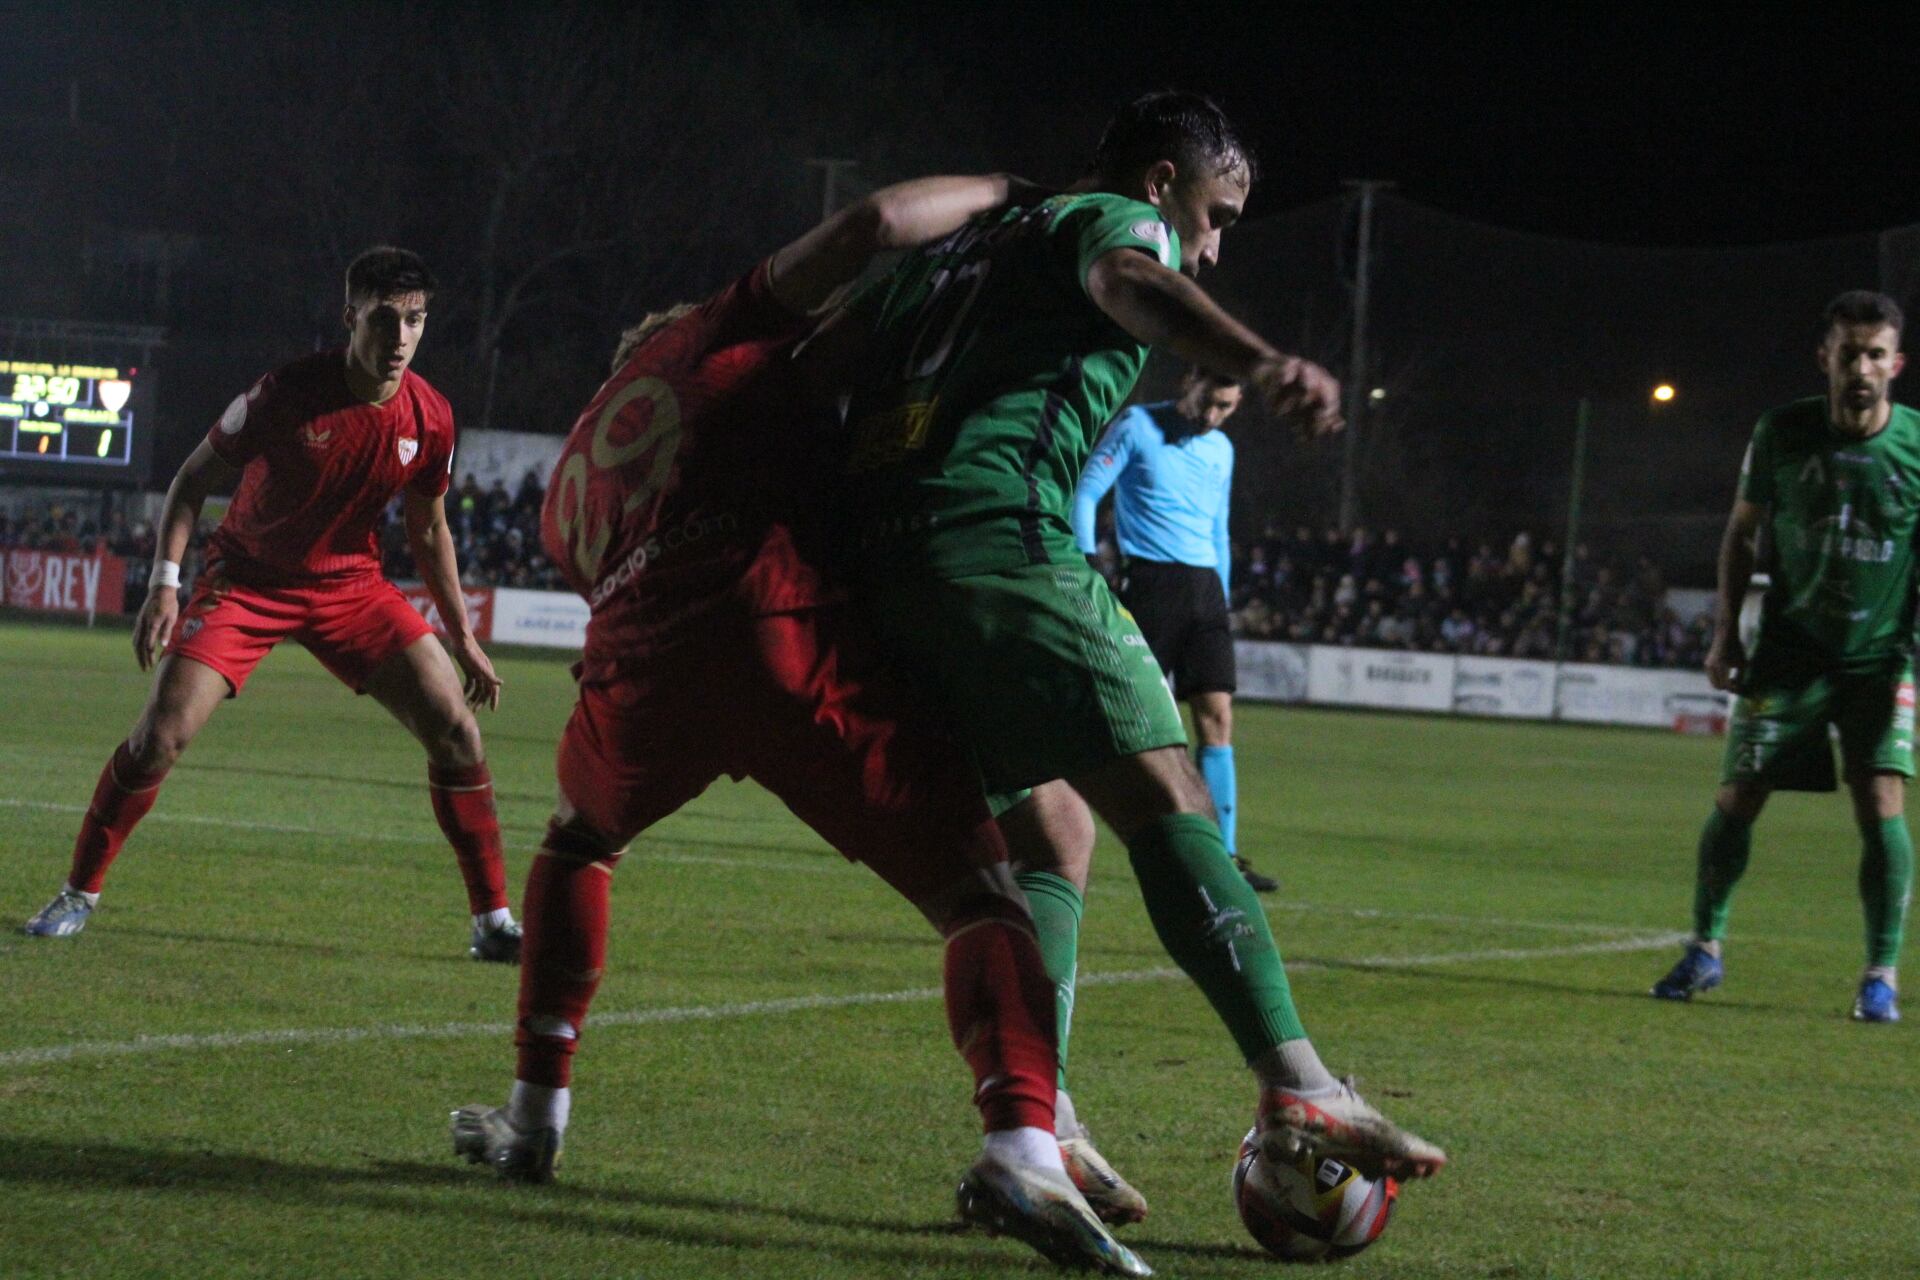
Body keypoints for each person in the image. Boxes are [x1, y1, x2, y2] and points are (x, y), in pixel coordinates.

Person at [446, 174, 1149, 1277]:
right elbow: (869, 226)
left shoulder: (568, 472)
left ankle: (535, 1119)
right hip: (781, 628)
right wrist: (1008, 191)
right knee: (983, 889)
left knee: (580, 836)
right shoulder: (718, 340)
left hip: (637, 662)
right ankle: (1022, 1136)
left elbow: (604, 570)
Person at [834, 91, 1447, 1227]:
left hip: (884, 566)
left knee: (1047, 832)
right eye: (1214, 214)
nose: (1210, 247)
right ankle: (1300, 1084)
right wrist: (1258, 360)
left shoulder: (970, 245)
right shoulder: (1121, 222)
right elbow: (1134, 278)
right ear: (1162, 181)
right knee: (1168, 793)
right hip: (998, 538)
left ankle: (1038, 1120)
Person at [22, 248, 521, 961]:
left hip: (351, 588)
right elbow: (191, 483)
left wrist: (463, 636)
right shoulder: (283, 395)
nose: (402, 336)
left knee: (457, 730)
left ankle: (493, 923)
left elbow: (429, 527)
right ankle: (77, 894)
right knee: (161, 735)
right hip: (248, 583)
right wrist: (166, 582)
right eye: (386, 318)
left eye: (416, 320)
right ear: (351, 317)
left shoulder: (432, 417)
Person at [1650, 290, 1914, 1024]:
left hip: (1880, 657)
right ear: (1824, 357)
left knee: (1881, 800)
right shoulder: (1782, 433)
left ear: (1897, 362)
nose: (1861, 367)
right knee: (1738, 796)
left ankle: (1879, 976)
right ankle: (1705, 948)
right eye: (1848, 352)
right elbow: (1740, 534)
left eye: (1874, 354)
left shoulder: (1917, 447)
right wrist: (1725, 631)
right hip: (1791, 650)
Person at [1073, 367, 1281, 893]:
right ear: (1188, 382)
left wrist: (1223, 598)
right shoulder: (1138, 425)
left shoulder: (1222, 449)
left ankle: (1225, 858)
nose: (1214, 417)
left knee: (1217, 717)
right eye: (1209, 402)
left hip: (1205, 592)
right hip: (1150, 584)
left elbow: (1219, 527)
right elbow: (1086, 492)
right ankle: (1054, 833)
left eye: (1227, 408)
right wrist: (1088, 559)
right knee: (1115, 719)